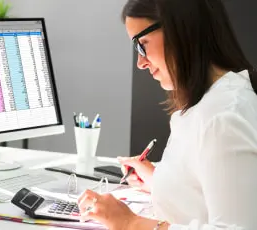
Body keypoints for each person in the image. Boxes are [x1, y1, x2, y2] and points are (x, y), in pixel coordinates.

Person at [77, 0, 257, 229]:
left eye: (142, 45)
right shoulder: (212, 102)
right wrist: (159, 180)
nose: (140, 63)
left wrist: (130, 223)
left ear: (179, 30)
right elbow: (209, 192)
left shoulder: (224, 119)